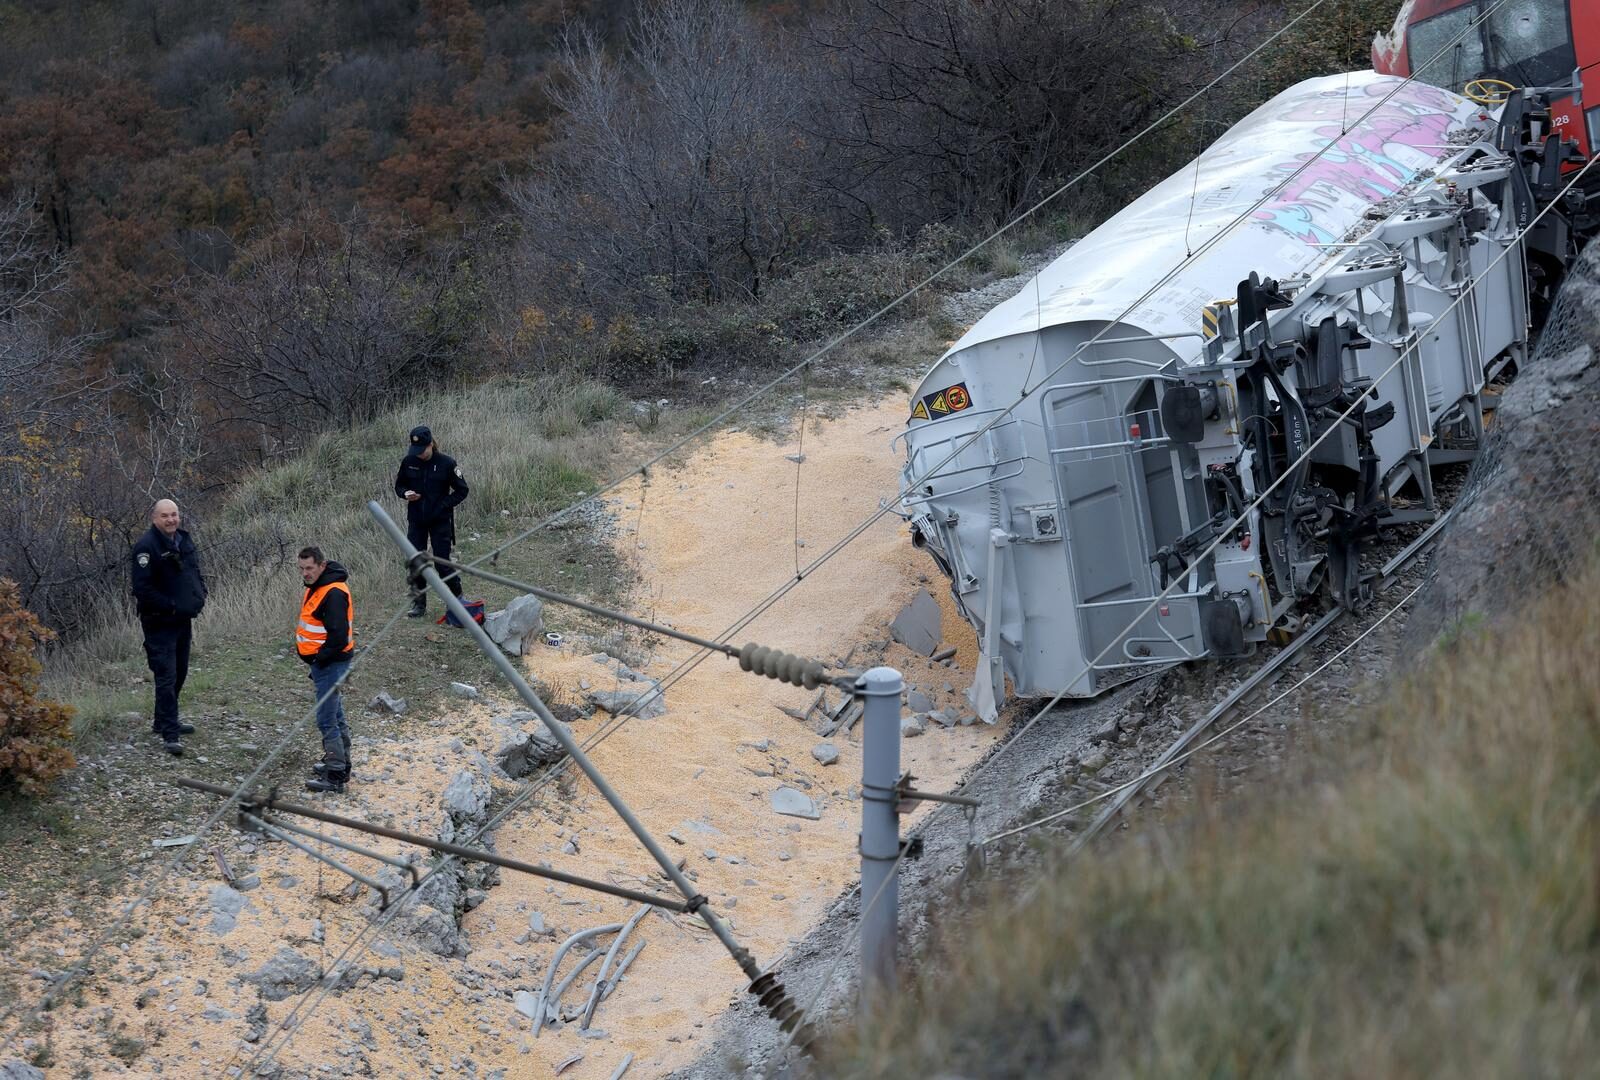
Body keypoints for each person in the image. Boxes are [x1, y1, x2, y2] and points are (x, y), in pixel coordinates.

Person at [130, 499, 207, 755]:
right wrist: (170, 605)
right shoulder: (146, 547)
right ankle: (170, 734)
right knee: (166, 675)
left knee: (181, 670)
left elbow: (193, 572)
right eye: (165, 516)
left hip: (182, 619)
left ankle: (161, 720)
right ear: (155, 518)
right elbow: (142, 589)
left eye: (174, 515)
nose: (171, 520)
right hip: (159, 621)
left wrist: (199, 595)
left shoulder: (183, 540)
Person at [392, 425, 469, 617]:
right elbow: (399, 485)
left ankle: (457, 600)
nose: (419, 454)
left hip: (440, 520)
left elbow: (462, 490)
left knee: (442, 563)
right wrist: (405, 493)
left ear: (430, 445)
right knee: (415, 561)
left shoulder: (447, 463)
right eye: (415, 451)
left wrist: (444, 504)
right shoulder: (408, 462)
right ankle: (419, 604)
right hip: (416, 519)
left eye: (422, 450)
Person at [296, 547, 354, 793]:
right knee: (336, 715)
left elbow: (338, 636)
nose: (305, 573)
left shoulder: (332, 593)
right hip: (326, 664)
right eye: (301, 568)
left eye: (309, 568)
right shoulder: (320, 586)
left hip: (330, 663)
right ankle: (342, 764)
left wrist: (319, 659)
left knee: (327, 719)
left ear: (322, 565)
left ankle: (335, 775)